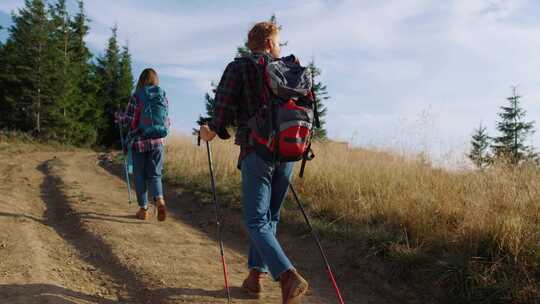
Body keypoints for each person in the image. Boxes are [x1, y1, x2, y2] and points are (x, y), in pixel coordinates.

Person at [199, 21, 309, 303]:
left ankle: (286, 276)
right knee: (269, 218)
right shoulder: (292, 69)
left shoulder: (240, 67)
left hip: (256, 150)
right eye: (278, 42)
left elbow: (221, 108)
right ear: (271, 43)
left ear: (252, 44)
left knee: (256, 220)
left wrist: (210, 130)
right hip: (288, 152)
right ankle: (254, 278)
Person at [117, 68, 168, 221]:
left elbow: (128, 120)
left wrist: (119, 117)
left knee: (139, 176)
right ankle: (159, 199)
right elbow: (166, 119)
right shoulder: (162, 94)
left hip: (139, 142)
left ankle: (143, 209)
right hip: (158, 141)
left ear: (141, 80)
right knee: (155, 174)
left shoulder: (136, 96)